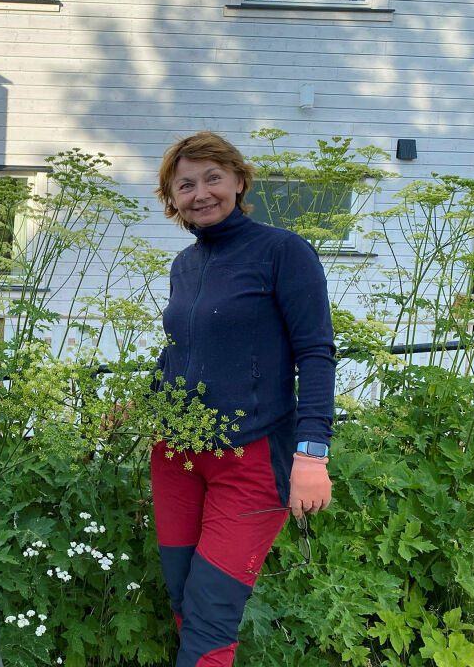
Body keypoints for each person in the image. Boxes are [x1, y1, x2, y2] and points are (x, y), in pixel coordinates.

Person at [150, 132, 335, 666]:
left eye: (212, 177)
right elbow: (180, 352)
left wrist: (312, 453)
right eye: (185, 184)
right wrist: (146, 405)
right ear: (172, 198)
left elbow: (316, 355)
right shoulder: (185, 265)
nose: (200, 193)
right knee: (183, 594)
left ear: (238, 181)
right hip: (177, 454)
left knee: (211, 612)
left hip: (250, 458)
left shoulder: (283, 251)